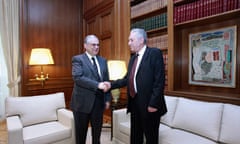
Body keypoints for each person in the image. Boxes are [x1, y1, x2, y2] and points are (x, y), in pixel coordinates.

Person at [106, 28, 167, 144]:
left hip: (150, 105)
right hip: (134, 103)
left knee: (151, 137)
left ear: (141, 40)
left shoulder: (154, 53)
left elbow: (159, 81)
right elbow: (126, 79)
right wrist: (110, 84)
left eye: (131, 40)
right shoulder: (133, 58)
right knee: (135, 135)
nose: (129, 43)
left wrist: (153, 104)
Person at [70, 34, 111, 144]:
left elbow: (106, 80)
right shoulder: (78, 59)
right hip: (81, 104)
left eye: (98, 45)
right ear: (85, 46)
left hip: (98, 103)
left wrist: (107, 99)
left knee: (97, 135)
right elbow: (78, 78)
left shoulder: (103, 60)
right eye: (93, 45)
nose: (96, 47)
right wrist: (97, 85)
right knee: (81, 136)